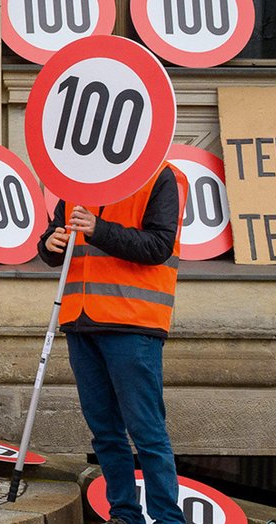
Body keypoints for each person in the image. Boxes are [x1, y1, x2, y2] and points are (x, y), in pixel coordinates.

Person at [37, 164, 186, 524]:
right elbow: (54, 243)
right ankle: (124, 514)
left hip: (133, 321)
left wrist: (98, 229)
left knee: (146, 430)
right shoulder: (76, 181)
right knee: (104, 431)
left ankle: (168, 518)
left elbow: (158, 246)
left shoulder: (161, 176)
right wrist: (49, 245)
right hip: (81, 319)